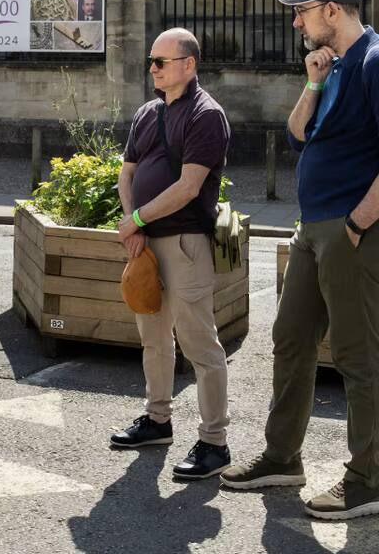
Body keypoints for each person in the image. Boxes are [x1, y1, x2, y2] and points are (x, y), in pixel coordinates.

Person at [222, 0, 379, 521]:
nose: (296, 20)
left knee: (360, 356)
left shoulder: (375, 62)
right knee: (290, 339)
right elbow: (295, 132)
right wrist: (312, 81)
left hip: (350, 230)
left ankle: (368, 479)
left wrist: (358, 222)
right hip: (313, 226)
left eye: (303, 10)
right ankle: (282, 457)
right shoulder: (331, 67)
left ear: (332, 11)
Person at [109, 28, 232, 480]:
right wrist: (133, 227)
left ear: (189, 64)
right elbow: (128, 174)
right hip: (145, 245)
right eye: (151, 60)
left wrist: (137, 221)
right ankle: (158, 420)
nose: (153, 69)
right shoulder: (147, 113)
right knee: (154, 338)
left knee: (200, 344)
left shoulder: (206, 115)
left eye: (161, 61)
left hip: (184, 242)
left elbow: (188, 187)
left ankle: (215, 443)